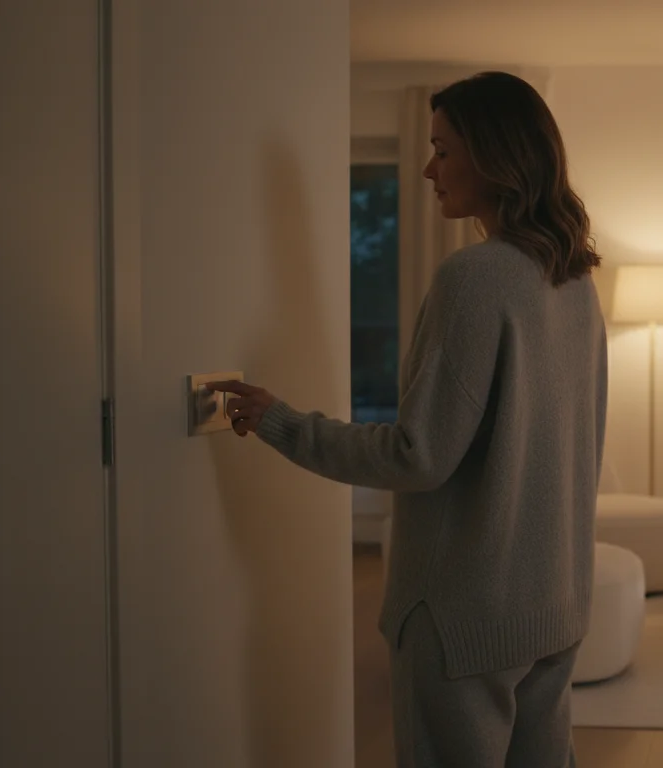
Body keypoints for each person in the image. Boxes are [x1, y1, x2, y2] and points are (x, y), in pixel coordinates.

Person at [208, 71, 607, 768]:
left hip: (462, 619)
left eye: (443, 151)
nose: (428, 170)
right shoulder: (574, 281)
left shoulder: (474, 278)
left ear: (496, 157)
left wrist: (281, 422)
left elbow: (417, 456)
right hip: (555, 604)